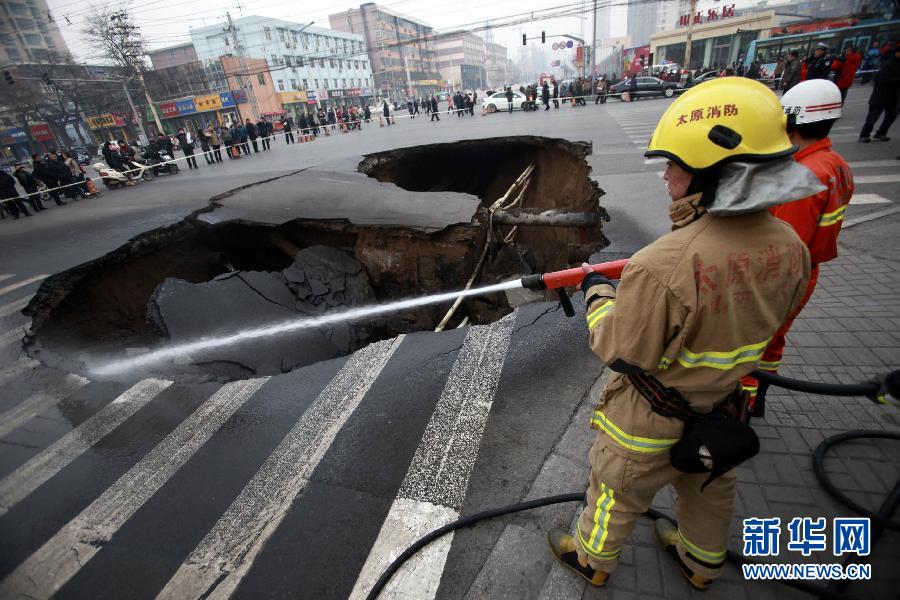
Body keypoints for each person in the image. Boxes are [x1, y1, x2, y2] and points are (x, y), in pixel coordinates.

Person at [546, 77, 818, 592]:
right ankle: (701, 564)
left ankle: (591, 560)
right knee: (710, 488)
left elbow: (622, 351)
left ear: (717, 172)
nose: (666, 173)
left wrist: (598, 293)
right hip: (724, 409)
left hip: (651, 417)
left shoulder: (663, 264)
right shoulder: (790, 246)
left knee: (615, 489)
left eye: (676, 163)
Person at [740, 79, 853, 407]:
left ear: (792, 121)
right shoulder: (836, 164)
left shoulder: (803, 176)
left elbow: (784, 243)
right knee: (773, 340)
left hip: (781, 276)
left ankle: (742, 407)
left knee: (750, 345)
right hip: (805, 272)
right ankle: (760, 398)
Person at [858, 43, 899, 142]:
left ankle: (881, 133)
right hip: (880, 96)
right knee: (873, 118)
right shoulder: (888, 64)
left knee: (891, 116)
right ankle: (864, 134)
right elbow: (879, 79)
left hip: (894, 96)